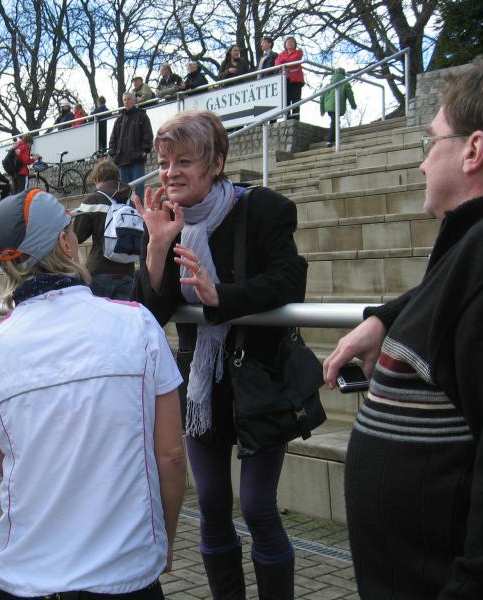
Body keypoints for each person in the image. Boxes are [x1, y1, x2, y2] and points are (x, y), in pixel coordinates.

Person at [322, 53, 483, 599]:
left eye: (431, 143)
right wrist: (387, 319)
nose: (422, 164)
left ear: (474, 150)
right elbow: (454, 297)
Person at [0, 188, 186, 599]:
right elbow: (172, 455)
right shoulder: (137, 324)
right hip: (125, 572)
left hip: (24, 575)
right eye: (72, 231)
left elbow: (7, 460)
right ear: (65, 243)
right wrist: (164, 542)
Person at [133, 111, 307, 600]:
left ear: (216, 163)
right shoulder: (167, 221)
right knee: (210, 503)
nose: (170, 174)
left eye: (184, 162)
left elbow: (289, 281)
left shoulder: (265, 209)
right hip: (201, 389)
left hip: (259, 381)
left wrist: (221, 296)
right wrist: (157, 249)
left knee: (256, 507)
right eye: (165, 163)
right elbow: (148, 314)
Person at [73, 160, 135, 299]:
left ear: (96, 179)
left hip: (99, 271)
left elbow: (77, 236)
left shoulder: (94, 200)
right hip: (127, 273)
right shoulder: (131, 204)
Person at [108, 92, 153, 200]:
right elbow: (113, 139)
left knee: (139, 189)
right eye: (124, 100)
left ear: (134, 101)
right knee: (123, 192)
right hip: (122, 161)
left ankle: (139, 209)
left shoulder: (142, 116)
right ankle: (125, 209)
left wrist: (144, 151)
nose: (126, 101)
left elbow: (148, 135)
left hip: (137, 160)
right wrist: (114, 155)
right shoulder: (119, 120)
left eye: (128, 99)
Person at [319, 68, 356, 147]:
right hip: (338, 106)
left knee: (335, 121)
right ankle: (330, 140)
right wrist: (353, 105)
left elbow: (321, 98)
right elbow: (350, 95)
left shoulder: (328, 85)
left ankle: (333, 137)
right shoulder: (345, 84)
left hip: (328, 107)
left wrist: (322, 110)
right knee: (335, 122)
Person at [275, 37, 304, 120]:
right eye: (288, 42)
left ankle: (295, 118)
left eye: (292, 42)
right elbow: (277, 64)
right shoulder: (281, 54)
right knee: (286, 99)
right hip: (285, 80)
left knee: (295, 100)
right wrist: (286, 61)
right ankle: (287, 118)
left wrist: (283, 61)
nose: (290, 43)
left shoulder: (298, 52)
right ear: (285, 44)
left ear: (295, 44)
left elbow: (294, 59)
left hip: (296, 80)